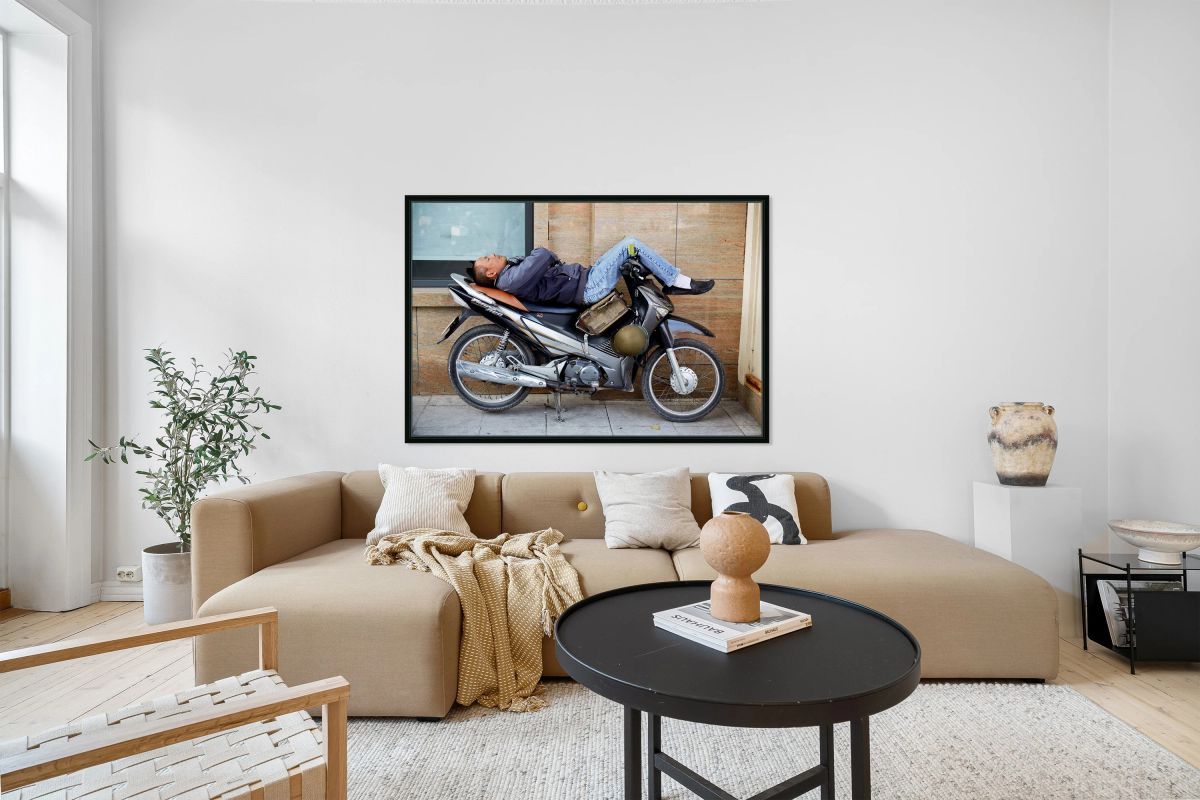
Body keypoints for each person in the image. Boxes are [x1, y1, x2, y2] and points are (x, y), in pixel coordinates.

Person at [471, 236, 714, 306]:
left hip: (587, 277)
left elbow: (543, 260)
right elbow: (544, 254)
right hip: (588, 287)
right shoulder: (510, 280)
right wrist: (543, 258)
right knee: (631, 244)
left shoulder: (512, 274)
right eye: (487, 259)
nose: (491, 254)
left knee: (631, 249)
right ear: (491, 273)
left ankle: (671, 280)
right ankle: (676, 282)